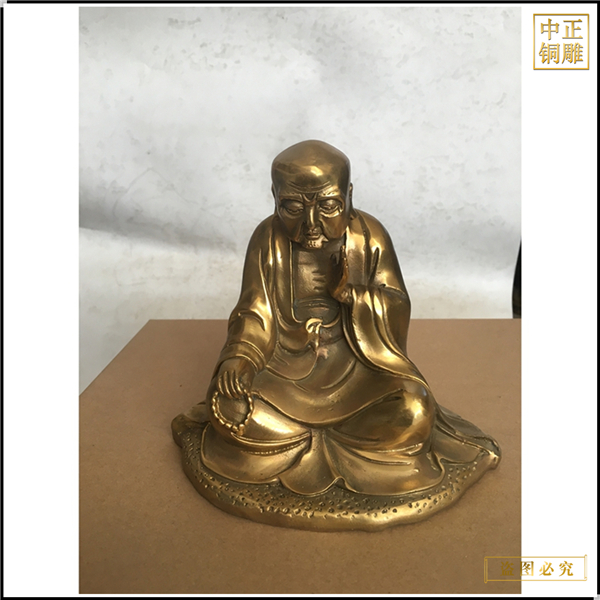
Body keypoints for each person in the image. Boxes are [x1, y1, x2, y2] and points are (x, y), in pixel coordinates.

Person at [176, 140, 499, 498]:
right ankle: (339, 449)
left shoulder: (370, 237)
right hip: (285, 376)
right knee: (230, 406)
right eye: (293, 207)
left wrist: (351, 296)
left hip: (358, 372)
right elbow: (254, 312)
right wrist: (239, 360)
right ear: (274, 197)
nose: (311, 224)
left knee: (413, 410)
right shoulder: (267, 239)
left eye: (328, 206)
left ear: (349, 196)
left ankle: (306, 447)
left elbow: (396, 303)